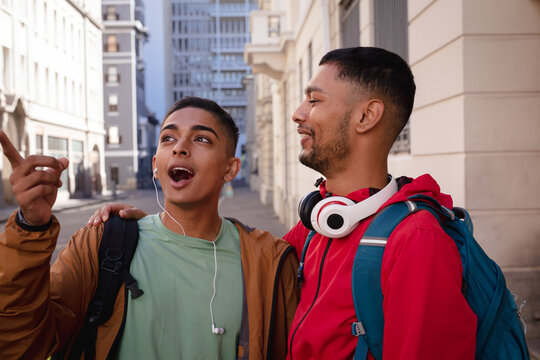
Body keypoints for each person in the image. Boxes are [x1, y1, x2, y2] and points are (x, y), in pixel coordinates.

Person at [90, 47, 478, 359]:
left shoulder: (417, 240)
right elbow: (252, 256)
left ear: (366, 115)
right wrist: (158, 227)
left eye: (314, 100)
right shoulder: (317, 227)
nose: (298, 114)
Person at [0, 97, 299, 359]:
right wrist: (31, 227)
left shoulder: (269, 262)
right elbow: (21, 344)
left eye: (202, 139)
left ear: (231, 168)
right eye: (169, 138)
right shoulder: (101, 242)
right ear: (156, 164)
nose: (180, 148)